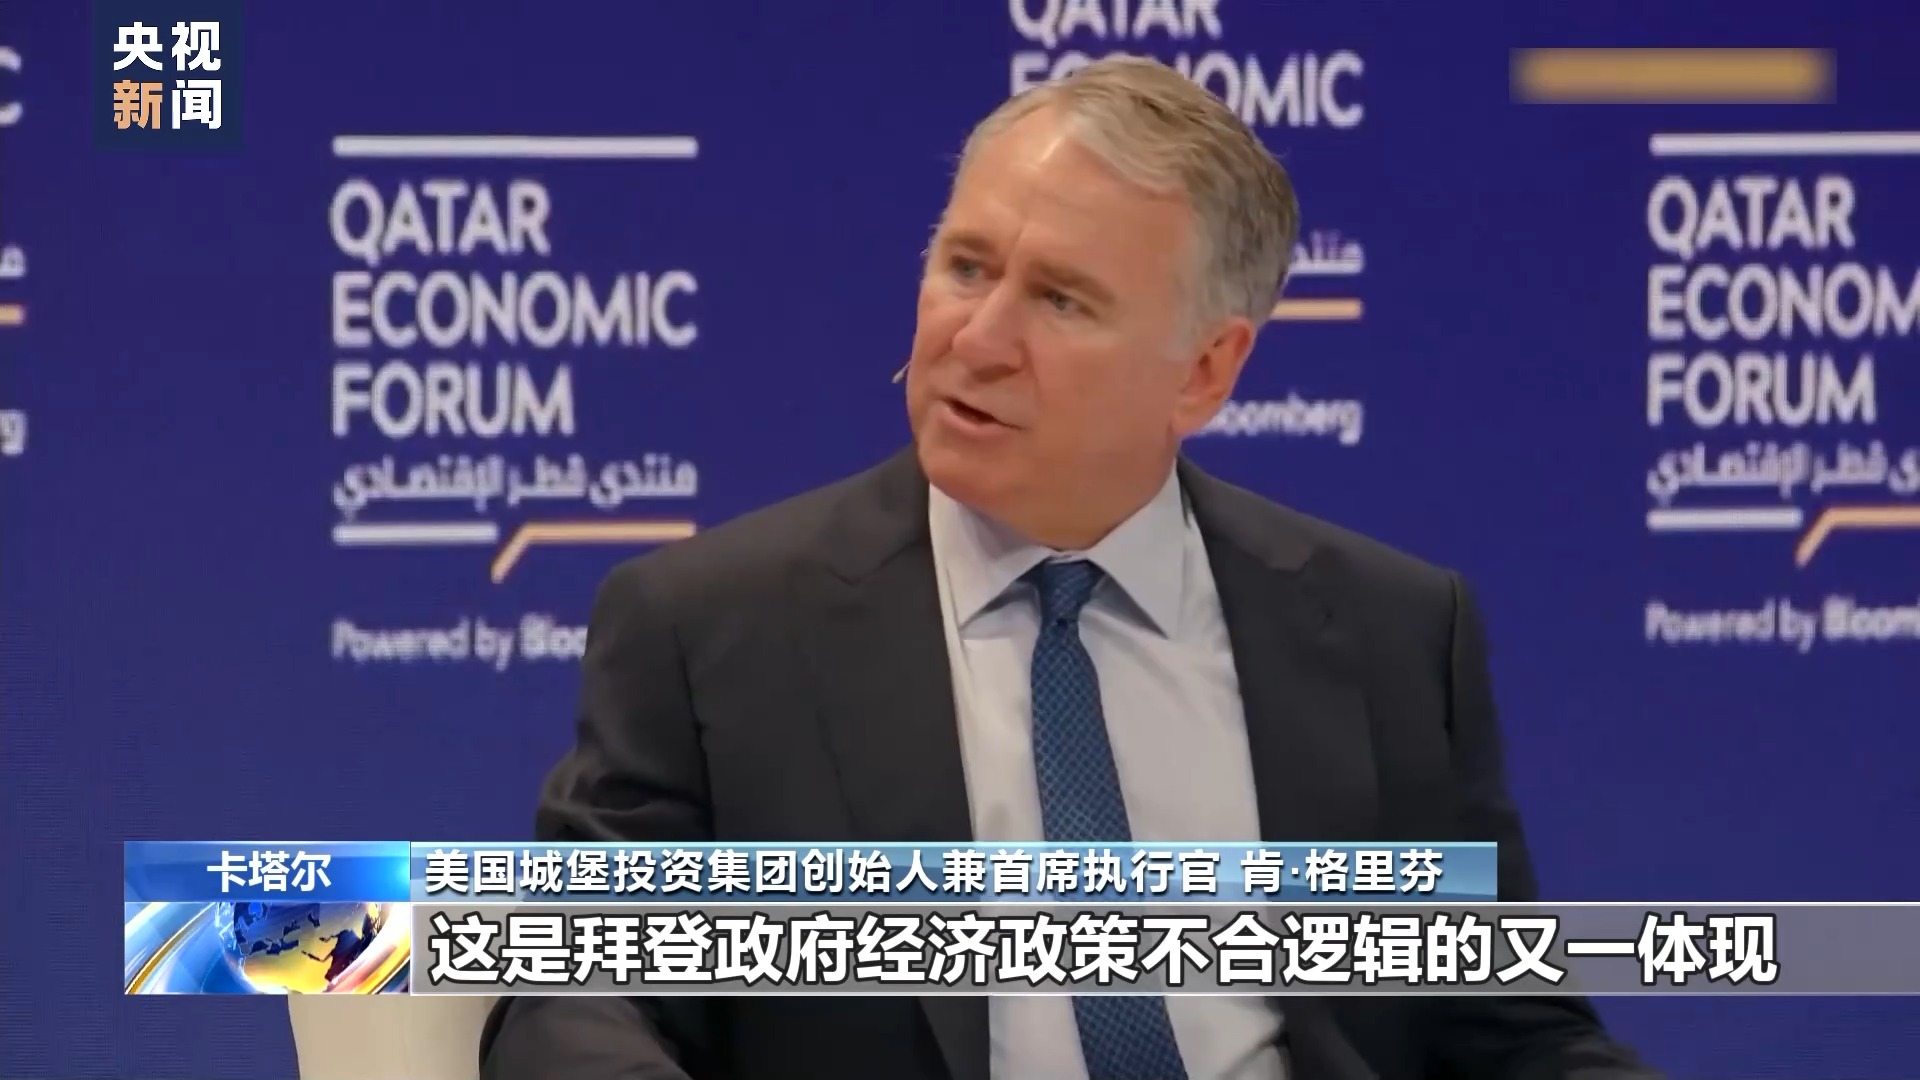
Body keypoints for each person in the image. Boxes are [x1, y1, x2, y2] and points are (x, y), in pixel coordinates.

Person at [480, 55, 1660, 1080]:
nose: (979, 338)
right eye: (966, 266)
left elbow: (1512, 1030)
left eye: (1061, 300)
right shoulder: (711, 629)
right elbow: (574, 995)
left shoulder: (1390, 633)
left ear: (1206, 370)